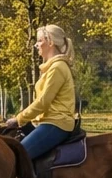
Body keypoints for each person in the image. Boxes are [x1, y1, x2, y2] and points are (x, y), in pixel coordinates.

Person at [13, 24, 78, 160]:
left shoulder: (57, 68)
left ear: (50, 42)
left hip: (56, 123)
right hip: (47, 122)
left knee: (18, 155)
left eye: (40, 40)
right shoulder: (51, 67)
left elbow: (43, 102)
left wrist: (19, 119)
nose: (36, 45)